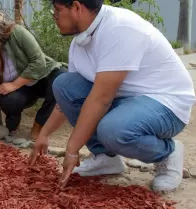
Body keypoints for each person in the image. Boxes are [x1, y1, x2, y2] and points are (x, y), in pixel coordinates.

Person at [28, 0, 196, 192]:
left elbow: (101, 99)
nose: (54, 17)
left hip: (165, 102)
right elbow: (67, 102)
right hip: (125, 101)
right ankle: (106, 158)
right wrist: (44, 134)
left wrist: (72, 150)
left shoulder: (120, 28)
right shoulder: (79, 43)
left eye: (57, 10)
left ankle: (167, 154)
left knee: (113, 130)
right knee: (64, 84)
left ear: (76, 7)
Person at [0, 19, 67, 145]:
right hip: (22, 91)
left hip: (42, 77)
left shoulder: (16, 33)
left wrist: (14, 85)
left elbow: (38, 62)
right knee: (8, 99)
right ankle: (12, 126)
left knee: (62, 80)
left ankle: (38, 126)